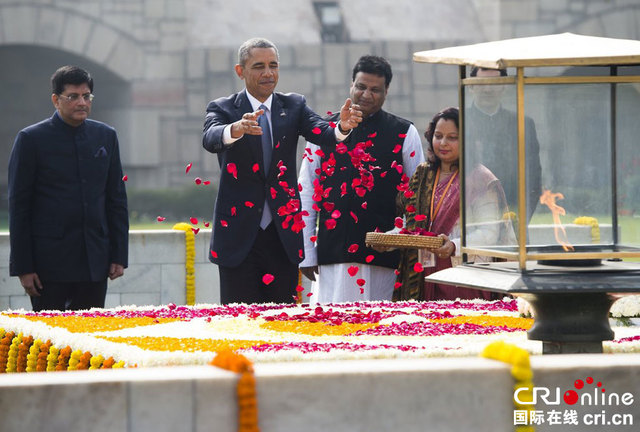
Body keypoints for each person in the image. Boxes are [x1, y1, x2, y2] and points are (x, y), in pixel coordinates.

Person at [203, 37, 362, 304]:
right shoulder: (224, 108)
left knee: (282, 321)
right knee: (238, 323)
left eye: (273, 65)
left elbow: (321, 131)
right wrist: (235, 129)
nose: (268, 73)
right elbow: (210, 137)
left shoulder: (293, 105)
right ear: (240, 71)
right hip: (239, 238)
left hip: (282, 236)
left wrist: (341, 128)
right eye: (258, 66)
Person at [298, 55, 424, 303]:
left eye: (375, 89)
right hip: (333, 255)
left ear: (386, 91)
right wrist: (307, 253)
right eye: (361, 87)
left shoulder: (404, 132)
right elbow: (306, 192)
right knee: (332, 331)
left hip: (385, 258)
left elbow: (417, 195)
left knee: (380, 330)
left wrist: (399, 236)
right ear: (351, 86)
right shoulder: (323, 130)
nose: (367, 94)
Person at [8, 65, 129, 311]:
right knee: (50, 346)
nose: (81, 102)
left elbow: (116, 199)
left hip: (95, 261)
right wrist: (23, 267)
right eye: (73, 96)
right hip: (48, 266)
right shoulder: (31, 139)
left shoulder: (106, 136)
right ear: (56, 100)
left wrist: (119, 255)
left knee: (90, 341)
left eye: (86, 96)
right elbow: (19, 207)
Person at [394, 107, 514, 301]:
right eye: (438, 135)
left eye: (452, 137)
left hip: (465, 274)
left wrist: (453, 245)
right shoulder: (423, 175)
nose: (443, 143)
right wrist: (390, 240)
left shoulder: (480, 179)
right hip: (425, 273)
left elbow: (490, 233)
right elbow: (412, 225)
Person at [466, 67, 542, 223]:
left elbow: (533, 176)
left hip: (514, 216)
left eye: (494, 83)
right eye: (481, 83)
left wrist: (521, 217)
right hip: (471, 219)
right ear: (470, 87)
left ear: (504, 87)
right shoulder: (459, 121)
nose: (488, 89)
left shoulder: (522, 123)